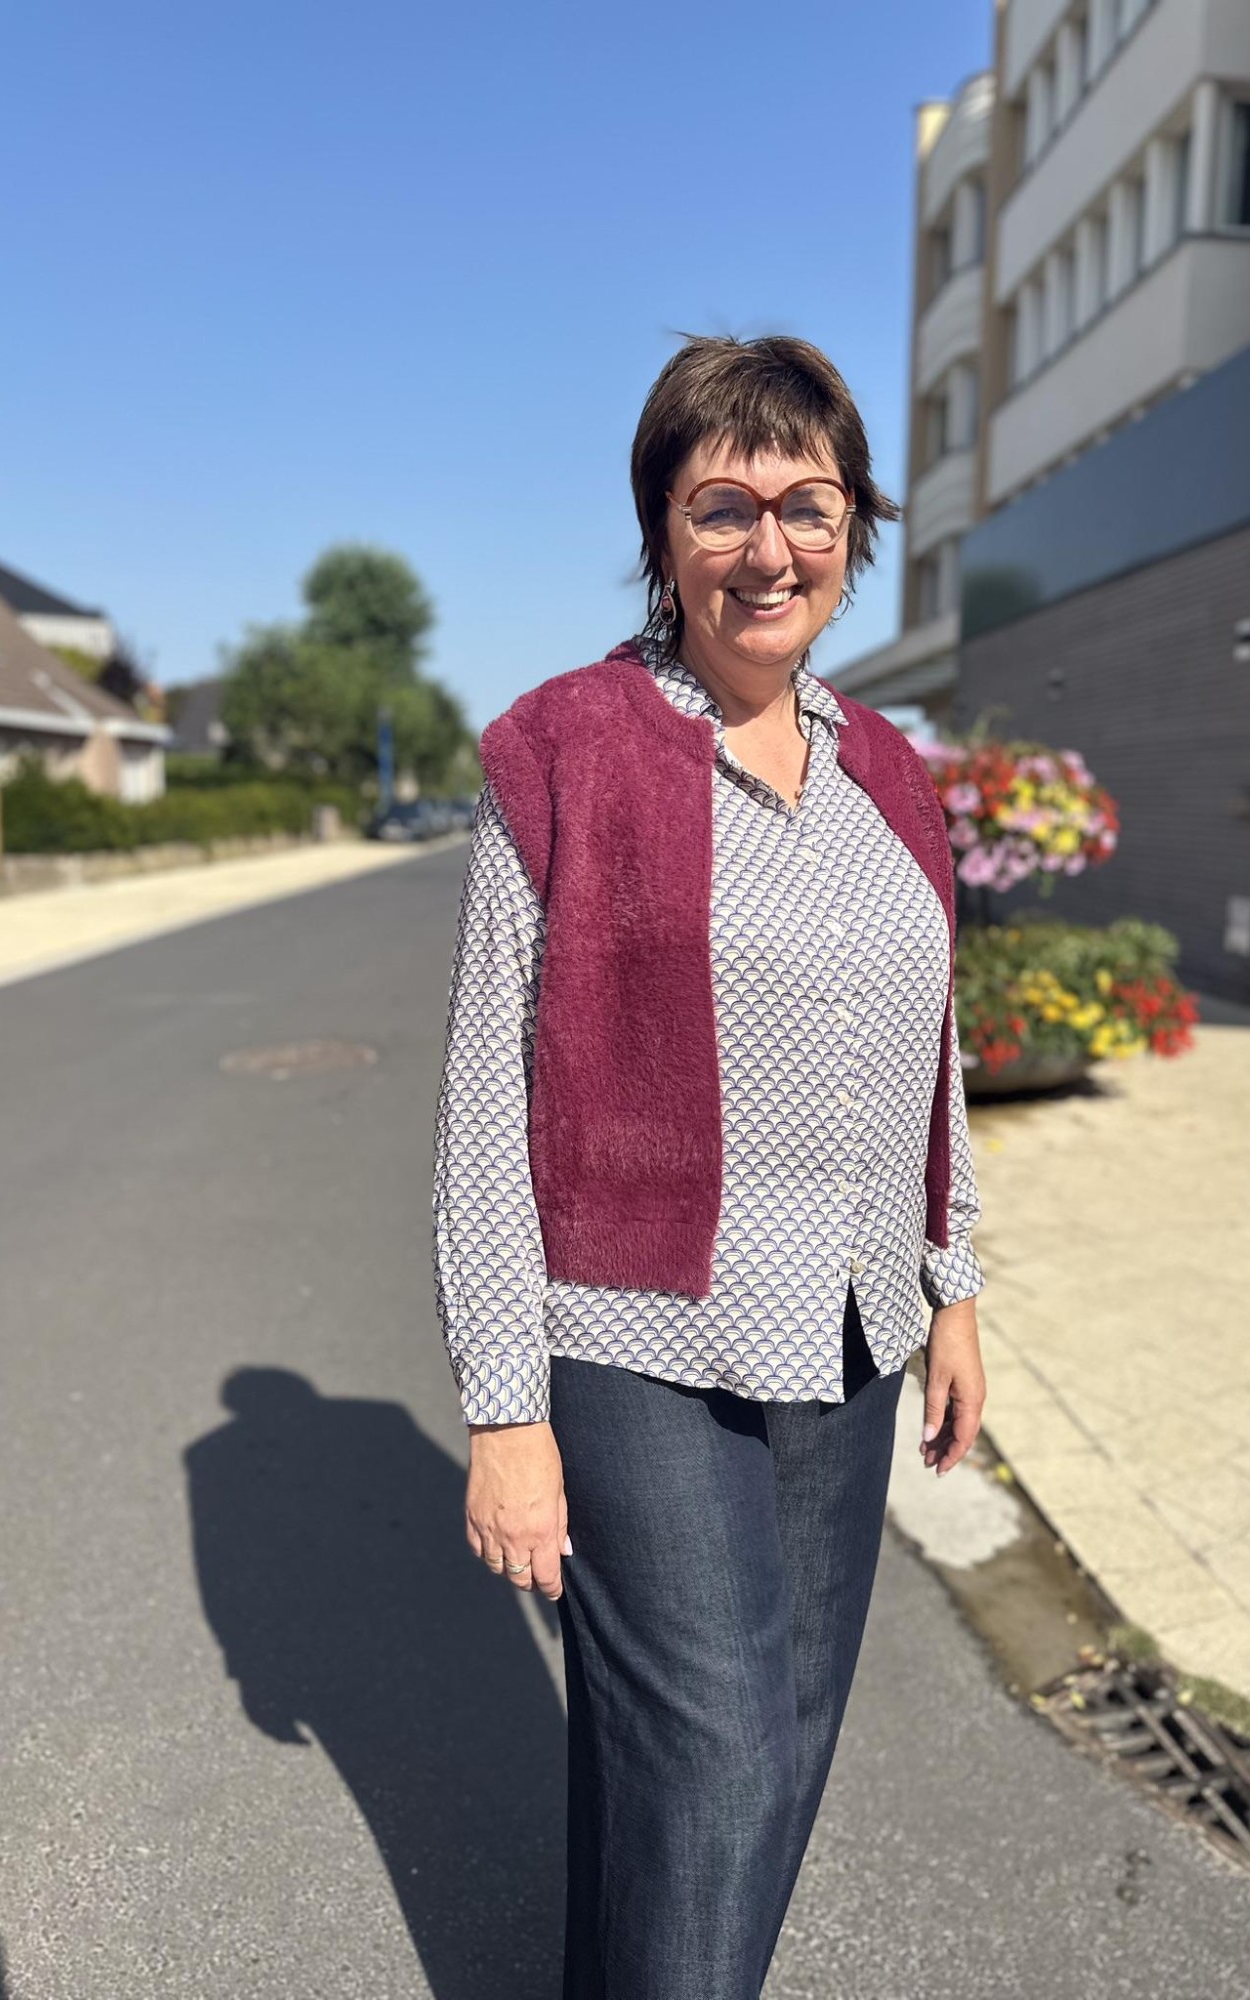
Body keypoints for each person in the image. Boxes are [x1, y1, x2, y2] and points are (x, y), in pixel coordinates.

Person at [432, 332, 987, 1999]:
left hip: (850, 1330)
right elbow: (484, 1099)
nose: (769, 547)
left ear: (855, 529)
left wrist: (954, 1287)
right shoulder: (563, 748)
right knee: (723, 1754)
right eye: (721, 506)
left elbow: (935, 1049)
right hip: (636, 1335)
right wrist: (506, 1409)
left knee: (772, 1741)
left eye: (808, 505)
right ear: (662, 535)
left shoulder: (891, 772)